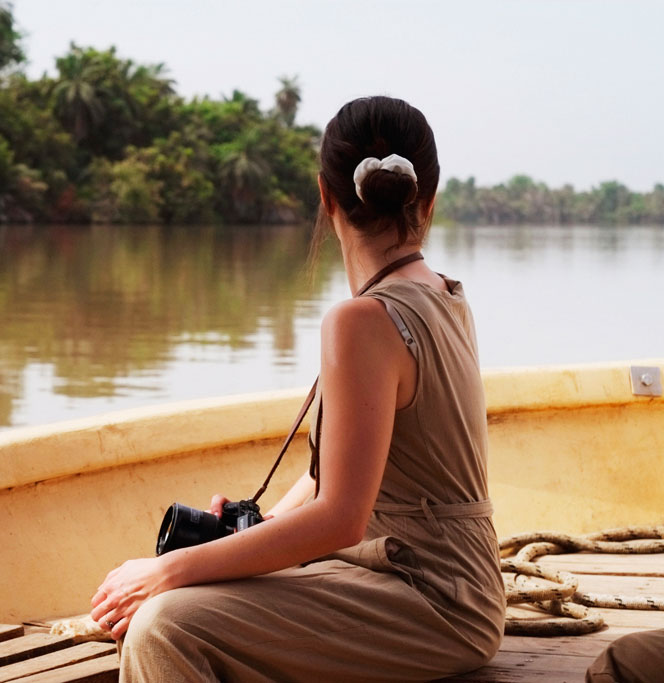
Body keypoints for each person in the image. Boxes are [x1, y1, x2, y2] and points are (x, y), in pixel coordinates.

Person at [90, 95, 506, 681]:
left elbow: (340, 518)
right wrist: (251, 530)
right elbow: (327, 479)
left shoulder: (360, 321)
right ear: (428, 198)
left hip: (431, 598)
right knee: (192, 598)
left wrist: (173, 570)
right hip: (452, 584)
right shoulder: (445, 294)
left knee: (167, 624)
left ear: (325, 195)